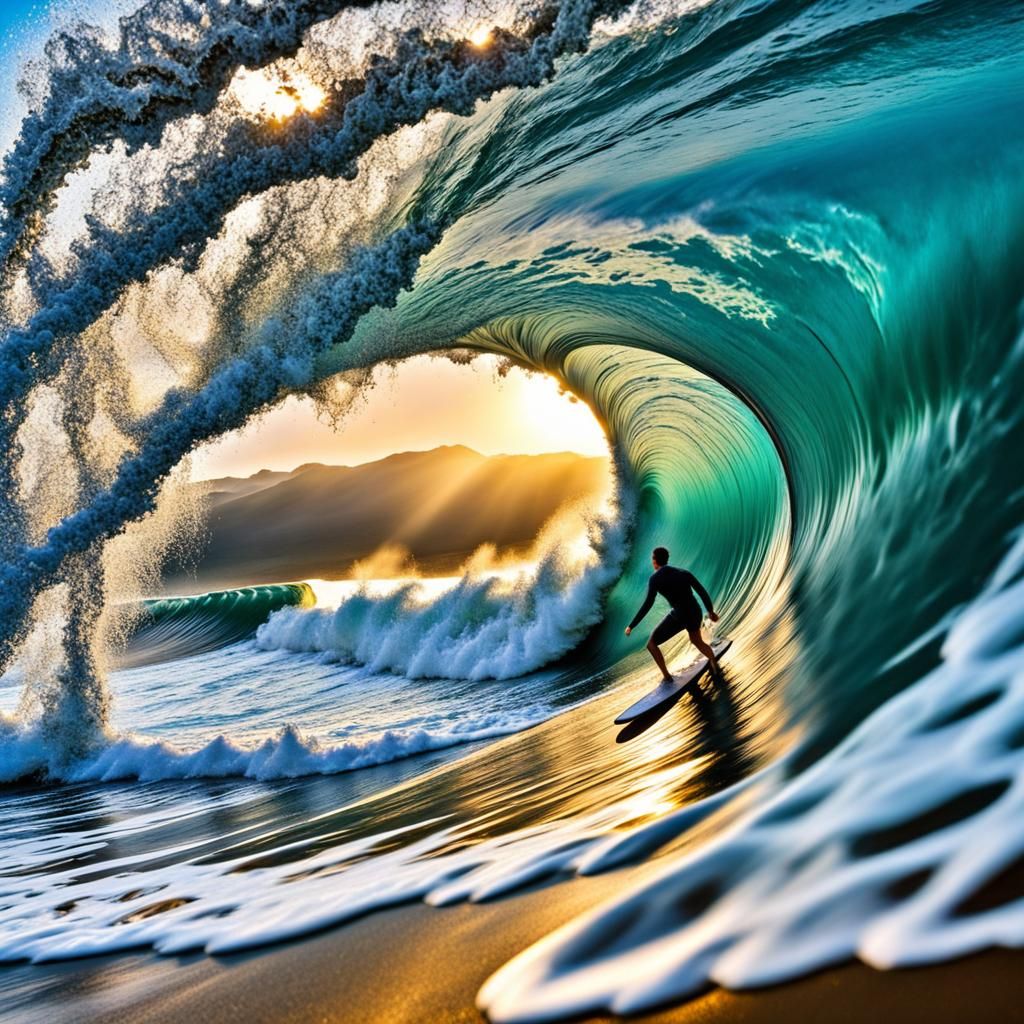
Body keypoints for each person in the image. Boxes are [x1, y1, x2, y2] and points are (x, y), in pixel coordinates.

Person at [624, 546, 720, 681]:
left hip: (679, 615)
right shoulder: (684, 573)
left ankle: (667, 676)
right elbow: (702, 592)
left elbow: (648, 604)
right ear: (667, 559)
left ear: (655, 561)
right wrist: (710, 611)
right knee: (696, 641)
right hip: (694, 611)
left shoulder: (655, 579)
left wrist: (631, 625)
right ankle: (713, 661)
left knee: (651, 644)